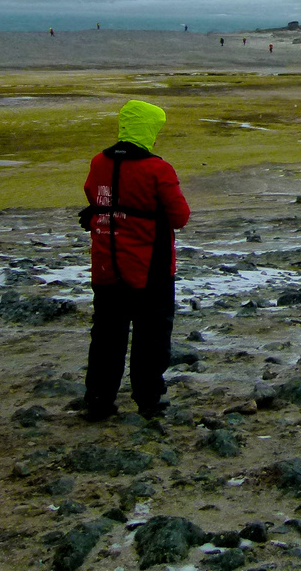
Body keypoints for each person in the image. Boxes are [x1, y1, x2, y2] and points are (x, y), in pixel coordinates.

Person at [80, 100, 191, 421]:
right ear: (149, 130)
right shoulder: (158, 168)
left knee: (106, 333)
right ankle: (148, 399)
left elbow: (92, 194)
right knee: (151, 334)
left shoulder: (99, 162)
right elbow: (180, 216)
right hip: (149, 265)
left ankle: (99, 399)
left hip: (106, 262)